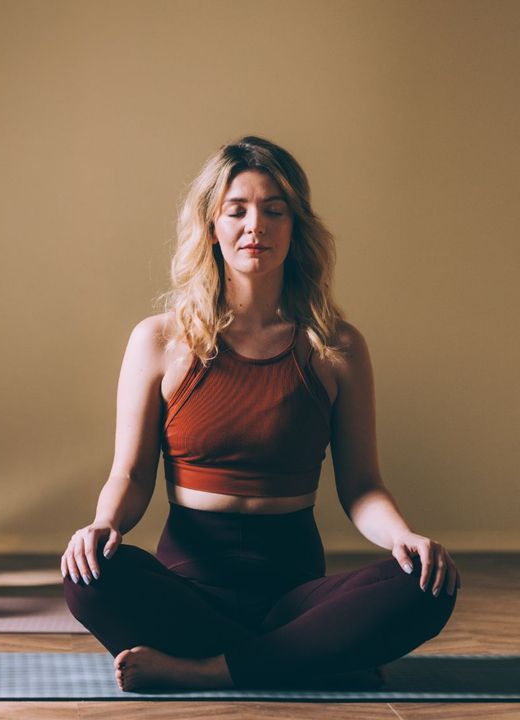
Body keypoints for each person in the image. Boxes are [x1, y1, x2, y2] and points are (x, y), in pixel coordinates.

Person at [61, 137, 457, 691]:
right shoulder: (159, 341)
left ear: (296, 228)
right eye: (237, 210)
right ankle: (310, 657)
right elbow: (129, 475)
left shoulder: (335, 347)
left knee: (427, 584)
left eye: (275, 210)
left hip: (293, 597)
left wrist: (404, 537)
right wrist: (103, 525)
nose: (256, 226)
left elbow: (362, 486)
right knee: (90, 575)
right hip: (188, 592)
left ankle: (208, 669)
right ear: (212, 225)